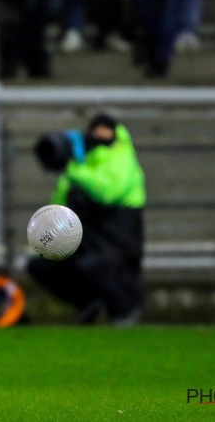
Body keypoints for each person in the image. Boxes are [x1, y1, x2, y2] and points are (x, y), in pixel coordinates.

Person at [28, 114, 145, 324]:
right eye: (96, 129)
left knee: (94, 266)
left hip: (120, 240)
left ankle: (126, 310)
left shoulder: (122, 157)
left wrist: (74, 172)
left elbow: (109, 192)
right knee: (40, 265)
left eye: (105, 129)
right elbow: (58, 208)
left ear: (115, 133)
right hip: (88, 241)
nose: (99, 134)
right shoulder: (81, 163)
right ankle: (88, 302)